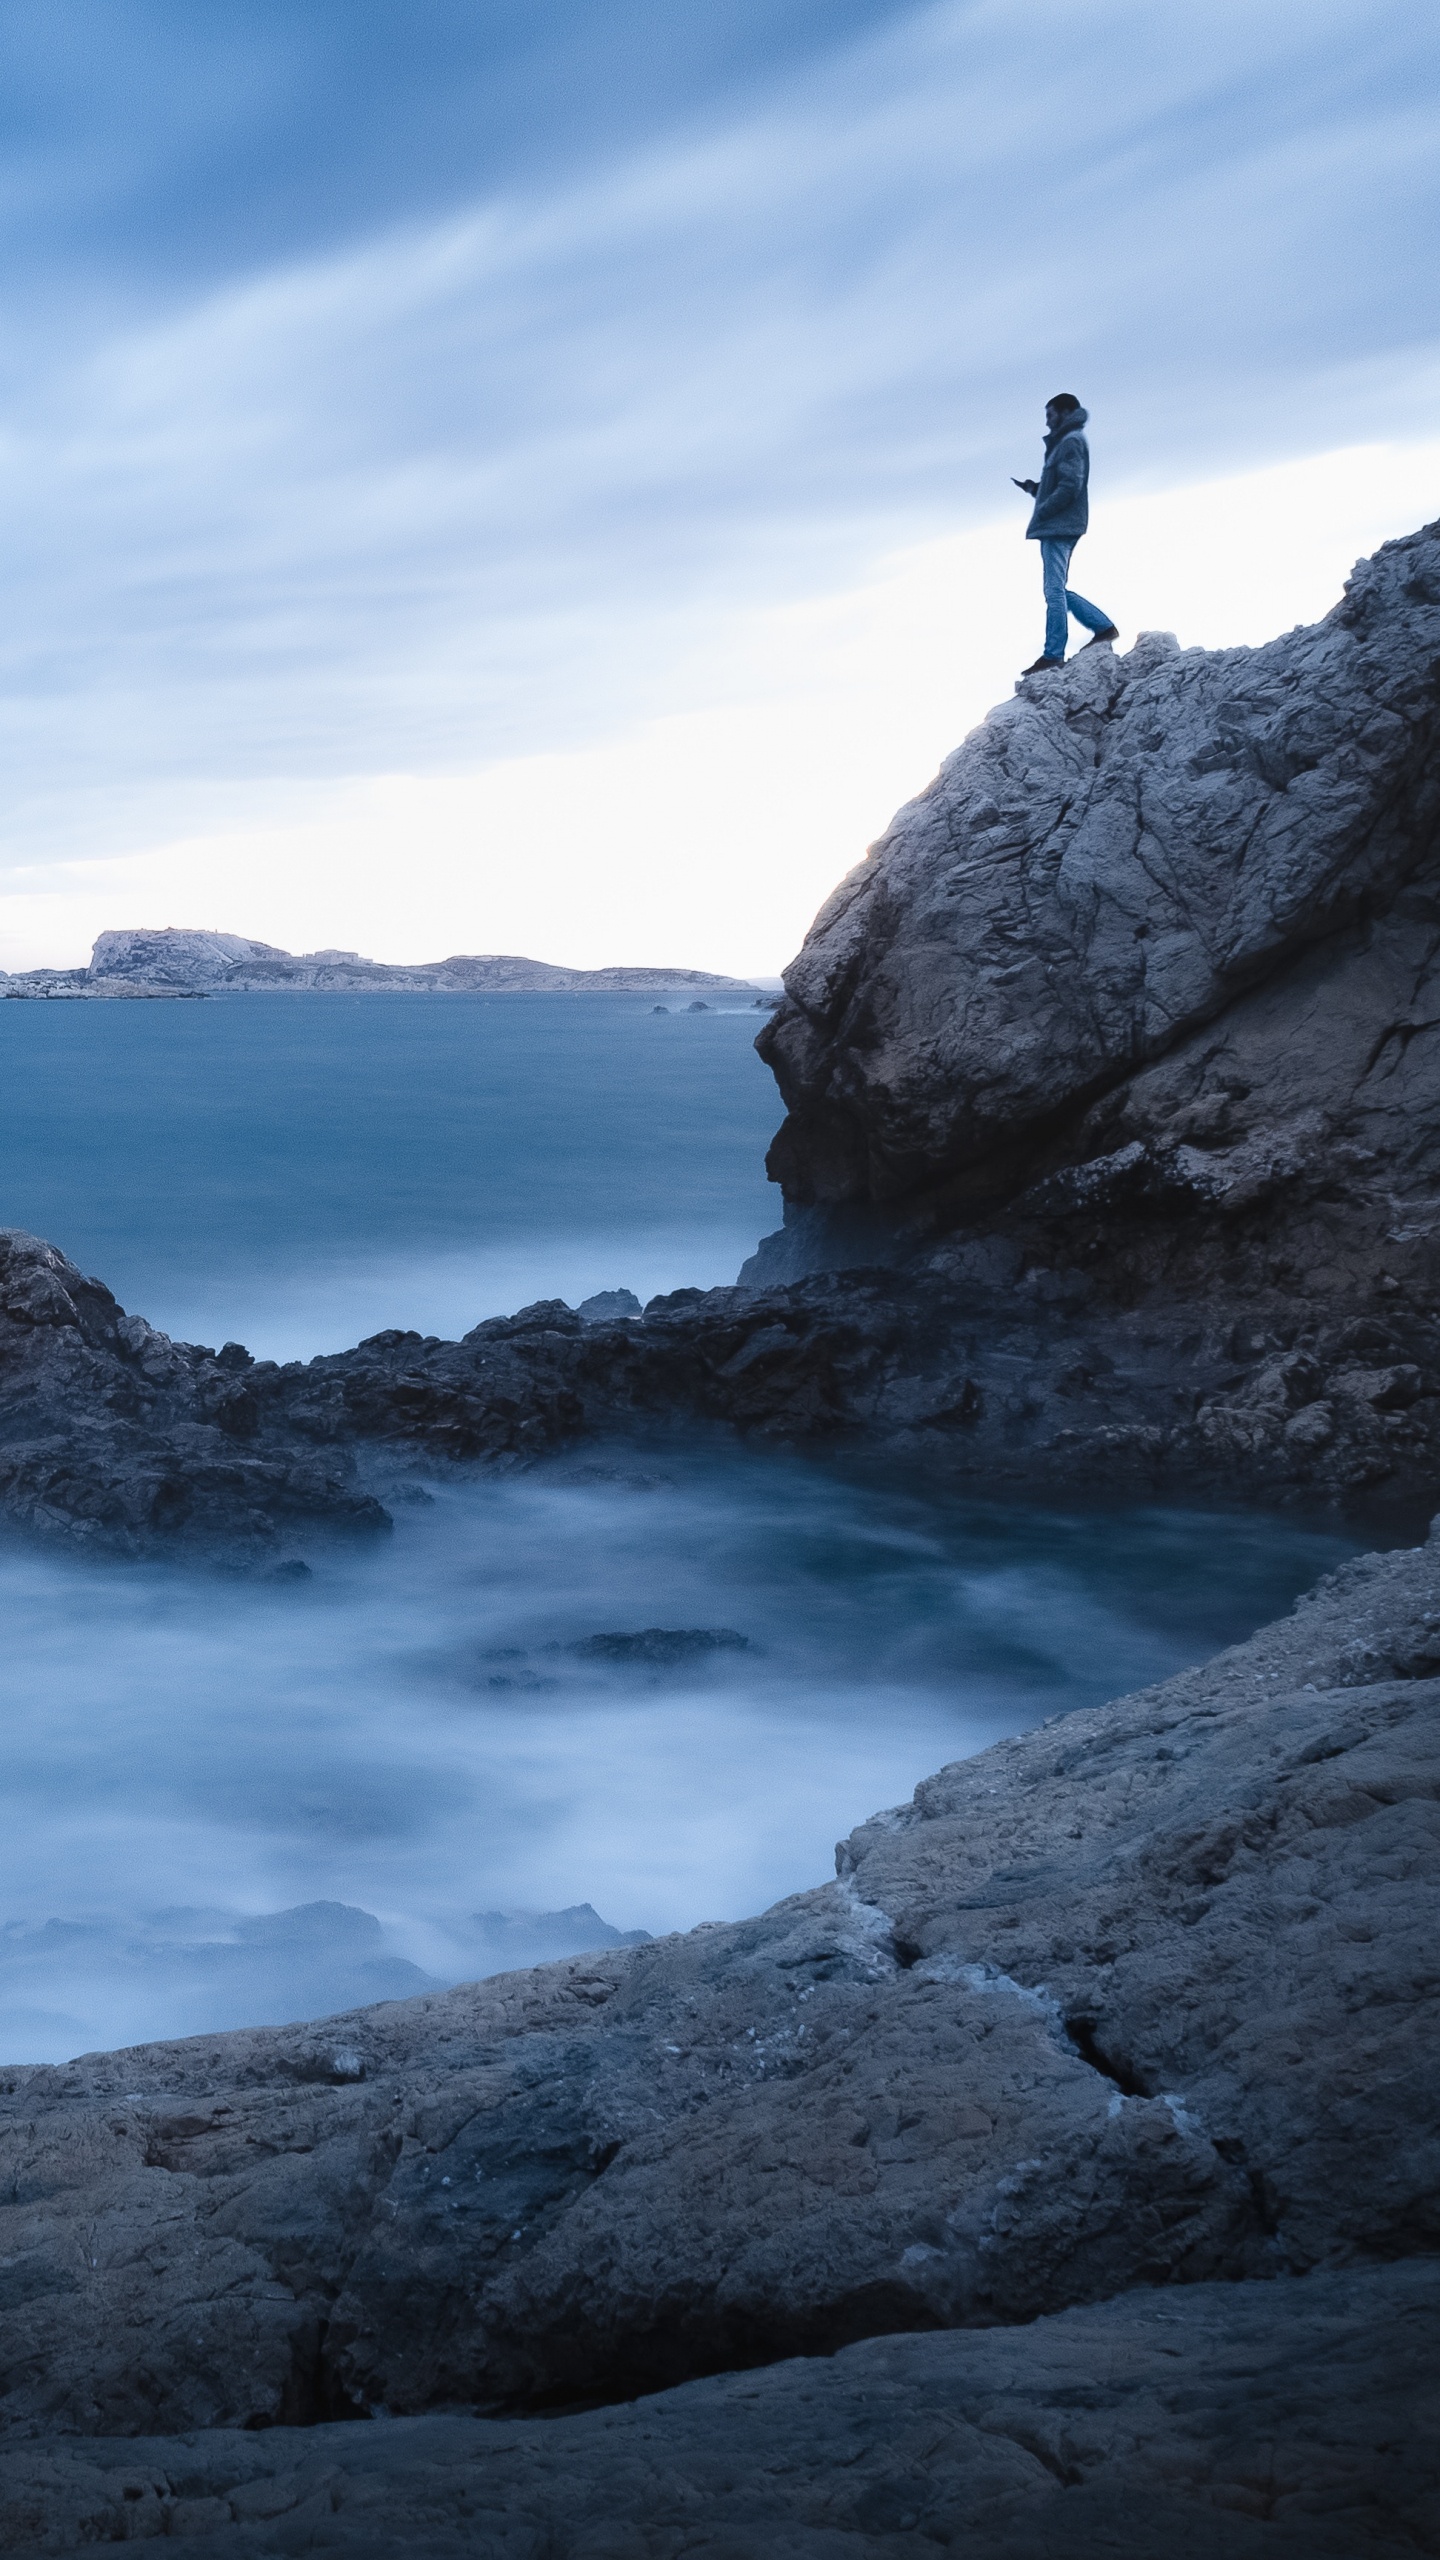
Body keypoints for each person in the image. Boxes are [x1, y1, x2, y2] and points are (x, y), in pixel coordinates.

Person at [1012, 394, 1118, 675]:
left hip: (1059, 526)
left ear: (1065, 412)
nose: (1047, 421)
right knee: (1056, 588)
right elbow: (1060, 484)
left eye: (1050, 414)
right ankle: (1103, 627)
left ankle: (1053, 654)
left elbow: (1071, 485)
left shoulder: (1070, 441)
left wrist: (1045, 509)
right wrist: (1035, 489)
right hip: (1058, 524)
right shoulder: (1064, 442)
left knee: (1053, 591)